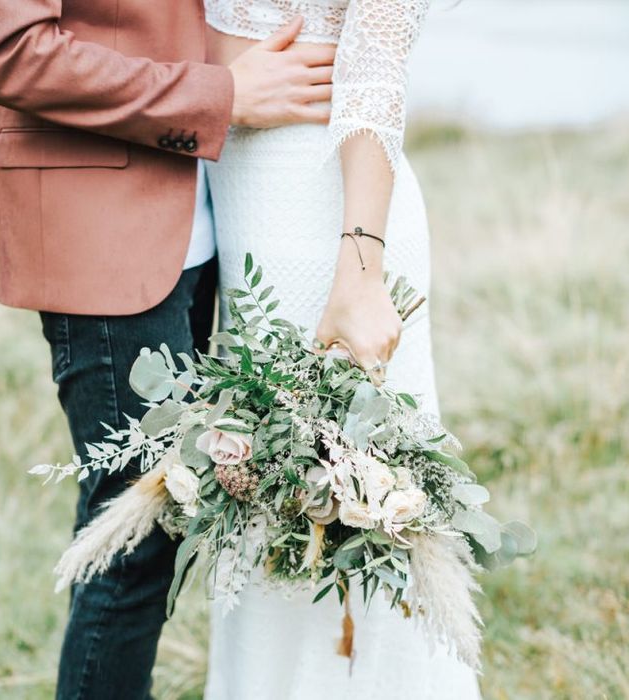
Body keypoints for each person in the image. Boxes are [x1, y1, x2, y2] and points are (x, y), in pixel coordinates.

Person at [0, 1, 335, 698]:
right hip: (102, 228)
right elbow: (9, 53)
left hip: (205, 219)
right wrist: (222, 95)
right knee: (137, 536)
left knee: (139, 524)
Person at [202, 0, 483, 697]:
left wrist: (359, 275)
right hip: (240, 217)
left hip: (325, 224)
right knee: (264, 514)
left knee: (355, 513)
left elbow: (375, 72)